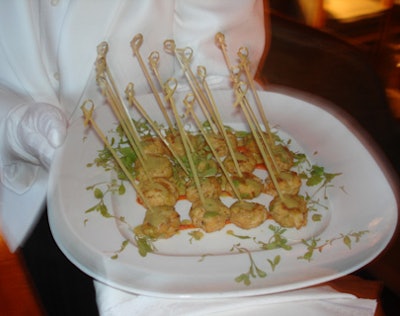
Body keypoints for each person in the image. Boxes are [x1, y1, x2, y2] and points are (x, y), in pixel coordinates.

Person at [0, 0, 265, 313]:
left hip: (153, 194)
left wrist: (204, 128)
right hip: (31, 196)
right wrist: (12, 123)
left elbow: (215, 61)